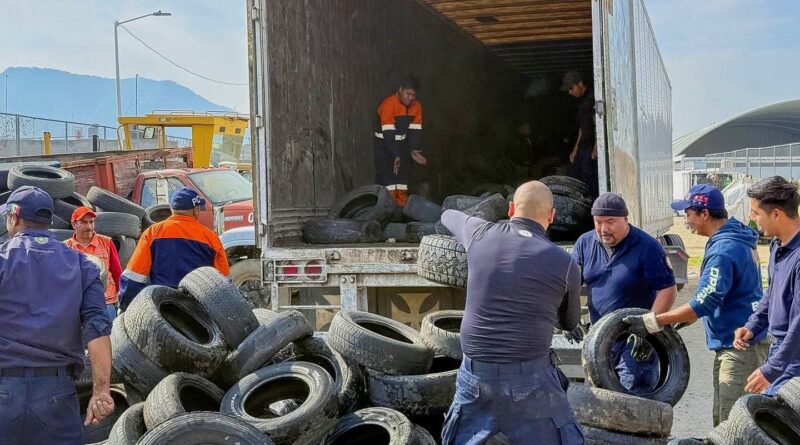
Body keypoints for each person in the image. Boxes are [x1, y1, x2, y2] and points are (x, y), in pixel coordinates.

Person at [440, 180, 583, 444]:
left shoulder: (479, 233)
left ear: (510, 209)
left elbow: (448, 215)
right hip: (532, 380)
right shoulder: (565, 264)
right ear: (552, 216)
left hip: (476, 376)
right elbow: (570, 322)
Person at [623, 184, 767, 426]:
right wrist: (680, 320)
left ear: (705, 213)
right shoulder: (734, 238)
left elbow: (703, 302)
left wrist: (653, 322)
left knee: (733, 425)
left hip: (740, 349)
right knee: (727, 420)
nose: (686, 220)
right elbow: (720, 295)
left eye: (688, 213)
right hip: (742, 344)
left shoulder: (723, 250)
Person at [0, 186, 113, 444]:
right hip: (57, 391)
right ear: (48, 221)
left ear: (14, 218)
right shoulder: (83, 265)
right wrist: (101, 391)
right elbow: (97, 328)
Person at [571, 193, 677, 394]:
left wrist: (649, 327)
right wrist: (569, 316)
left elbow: (667, 289)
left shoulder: (647, 247)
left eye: (610, 222)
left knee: (633, 399)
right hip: (599, 339)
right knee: (597, 398)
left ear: (626, 220)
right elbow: (571, 284)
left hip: (634, 339)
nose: (603, 229)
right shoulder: (585, 243)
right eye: (598, 222)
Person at [733, 176, 800, 396]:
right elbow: (771, 294)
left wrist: (772, 369)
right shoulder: (777, 246)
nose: (752, 219)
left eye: (756, 213)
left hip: (795, 363)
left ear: (776, 214)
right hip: (780, 353)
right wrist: (753, 326)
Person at [118, 187, 229, 310]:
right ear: (196, 210)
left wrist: (125, 306)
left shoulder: (152, 233)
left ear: (172, 209)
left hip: (162, 306)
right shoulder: (211, 238)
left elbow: (134, 276)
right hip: (198, 307)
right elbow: (223, 281)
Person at [374, 75, 427, 207]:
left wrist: (412, 150)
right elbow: (388, 133)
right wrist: (395, 155)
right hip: (384, 146)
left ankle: (402, 207)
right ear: (400, 90)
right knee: (389, 179)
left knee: (402, 178)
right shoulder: (388, 104)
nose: (410, 98)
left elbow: (415, 132)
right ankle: (388, 207)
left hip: (402, 145)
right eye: (408, 94)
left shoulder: (417, 106)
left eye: (413, 95)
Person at [64, 206, 123, 322]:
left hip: (105, 304)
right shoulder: (65, 247)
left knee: (107, 333)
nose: (89, 226)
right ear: (74, 224)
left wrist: (122, 299)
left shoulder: (107, 242)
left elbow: (117, 272)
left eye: (91, 222)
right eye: (84, 222)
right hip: (76, 306)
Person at [561, 70, 598, 196]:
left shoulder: (593, 98)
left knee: (589, 180)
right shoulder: (580, 101)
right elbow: (582, 128)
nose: (570, 92)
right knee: (576, 176)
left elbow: (597, 123)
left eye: (571, 88)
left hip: (591, 147)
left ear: (580, 84)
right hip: (583, 146)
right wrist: (575, 149)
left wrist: (597, 146)